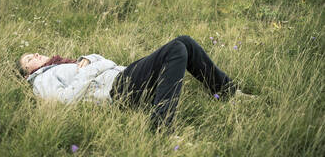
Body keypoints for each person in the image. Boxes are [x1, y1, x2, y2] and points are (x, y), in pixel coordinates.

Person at [17, 35, 246, 128]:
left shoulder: (62, 64)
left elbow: (101, 61)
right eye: (29, 59)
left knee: (184, 42)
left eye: (34, 53)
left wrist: (89, 59)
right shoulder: (41, 80)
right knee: (176, 49)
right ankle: (161, 124)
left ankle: (227, 92)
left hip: (121, 76)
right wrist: (96, 66)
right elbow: (65, 100)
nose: (35, 55)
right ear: (27, 73)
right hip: (117, 90)